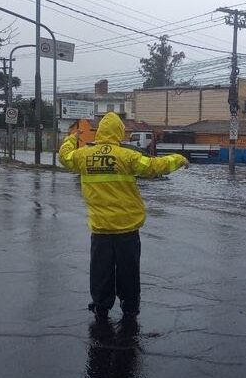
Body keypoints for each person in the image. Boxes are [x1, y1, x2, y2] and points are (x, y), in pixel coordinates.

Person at [59, 112, 189, 321]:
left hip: (100, 228)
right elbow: (155, 167)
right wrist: (178, 158)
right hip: (127, 228)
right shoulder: (127, 156)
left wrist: (71, 138)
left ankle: (101, 306)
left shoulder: (83, 155)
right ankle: (130, 308)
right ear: (119, 132)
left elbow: (65, 157)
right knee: (128, 271)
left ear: (100, 132)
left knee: (101, 270)